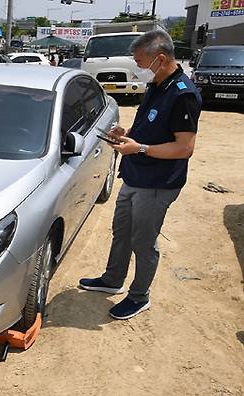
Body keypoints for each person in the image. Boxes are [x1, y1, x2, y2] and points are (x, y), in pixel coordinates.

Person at [79, 30, 202, 320]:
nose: (137, 66)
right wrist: (128, 134)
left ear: (160, 58)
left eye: (140, 60)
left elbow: (184, 148)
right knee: (121, 233)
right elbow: (150, 127)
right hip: (135, 175)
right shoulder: (156, 84)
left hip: (158, 183)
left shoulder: (183, 94)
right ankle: (112, 279)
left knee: (143, 241)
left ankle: (139, 296)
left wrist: (140, 148)